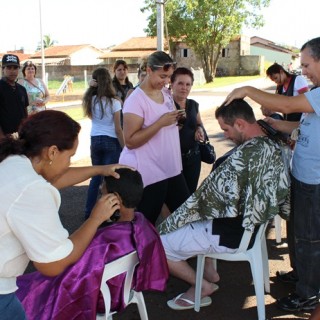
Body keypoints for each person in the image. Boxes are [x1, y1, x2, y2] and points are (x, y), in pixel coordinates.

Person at [158, 99, 290, 310]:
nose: (225, 135)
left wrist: (176, 218)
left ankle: (201, 286)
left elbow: (202, 203)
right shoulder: (273, 144)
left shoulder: (241, 159)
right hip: (252, 228)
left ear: (239, 124)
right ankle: (208, 269)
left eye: (226, 130)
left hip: (232, 232)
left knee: (158, 244)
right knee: (183, 223)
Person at [0, 110, 130, 319]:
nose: (69, 163)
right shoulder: (32, 189)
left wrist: (100, 170)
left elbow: (52, 179)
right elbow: (53, 263)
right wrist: (95, 219)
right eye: (69, 156)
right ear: (52, 152)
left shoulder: (15, 161)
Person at [224, 36, 320, 313]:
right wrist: (276, 124)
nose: (303, 71)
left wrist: (247, 89)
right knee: (299, 233)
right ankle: (303, 275)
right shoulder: (315, 92)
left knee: (310, 238)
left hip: (315, 183)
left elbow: (289, 105)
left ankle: (309, 294)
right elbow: (299, 127)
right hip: (303, 178)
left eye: (307, 65)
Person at [15, 168, 169, 320]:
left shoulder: (102, 243)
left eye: (102, 194)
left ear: (114, 199)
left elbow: (69, 277)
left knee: (23, 291)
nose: (99, 199)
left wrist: (93, 221)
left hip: (99, 297)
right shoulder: (142, 223)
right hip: (124, 288)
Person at [119, 51, 190, 225]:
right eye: (163, 76)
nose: (166, 82)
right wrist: (160, 123)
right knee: (146, 221)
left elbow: (168, 125)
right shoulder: (136, 100)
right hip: (150, 172)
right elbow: (130, 141)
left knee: (187, 215)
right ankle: (140, 251)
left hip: (170, 167)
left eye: (169, 77)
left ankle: (181, 250)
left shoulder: (165, 94)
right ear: (149, 70)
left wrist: (178, 120)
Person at [265, 62, 309, 284]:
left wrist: (245, 91)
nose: (276, 82)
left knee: (306, 234)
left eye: (307, 64)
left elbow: (296, 108)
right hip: (297, 157)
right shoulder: (283, 87)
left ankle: (307, 287)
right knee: (297, 228)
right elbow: (291, 118)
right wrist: (273, 119)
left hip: (311, 176)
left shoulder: (301, 84)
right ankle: (298, 273)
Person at [82, 67, 125, 219]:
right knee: (111, 179)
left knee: (96, 178)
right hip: (111, 141)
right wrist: (125, 147)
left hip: (95, 139)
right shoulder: (114, 102)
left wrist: (90, 86)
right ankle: (112, 213)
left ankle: (88, 213)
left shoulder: (90, 99)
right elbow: (118, 129)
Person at [171, 67, 206, 193]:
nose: (184, 87)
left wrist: (200, 130)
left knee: (190, 195)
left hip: (193, 159)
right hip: (172, 160)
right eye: (180, 83)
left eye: (188, 84)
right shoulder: (165, 105)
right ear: (172, 84)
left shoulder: (193, 105)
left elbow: (199, 124)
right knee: (175, 197)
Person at [0, 54, 28, 139]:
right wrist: (2, 138)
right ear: (2, 69)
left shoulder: (22, 89)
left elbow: (25, 112)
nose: (12, 71)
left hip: (21, 135)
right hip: (5, 137)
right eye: (9, 67)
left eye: (15, 68)